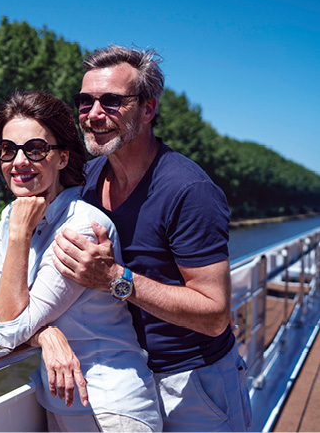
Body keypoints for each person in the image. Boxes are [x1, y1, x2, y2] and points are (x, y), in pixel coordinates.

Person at [45, 45, 252, 431]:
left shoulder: (188, 191)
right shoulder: (84, 182)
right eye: (85, 101)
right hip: (119, 380)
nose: (94, 114)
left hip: (192, 382)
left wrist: (114, 278)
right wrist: (42, 329)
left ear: (148, 109)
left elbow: (214, 315)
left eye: (111, 101)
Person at [0, 89, 161, 432]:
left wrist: (21, 236)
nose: (19, 161)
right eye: (8, 149)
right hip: (61, 402)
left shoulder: (82, 228)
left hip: (112, 407)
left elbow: (8, 328)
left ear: (62, 158)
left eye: (35, 149)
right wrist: (46, 335)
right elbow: (5, 318)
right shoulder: (11, 217)